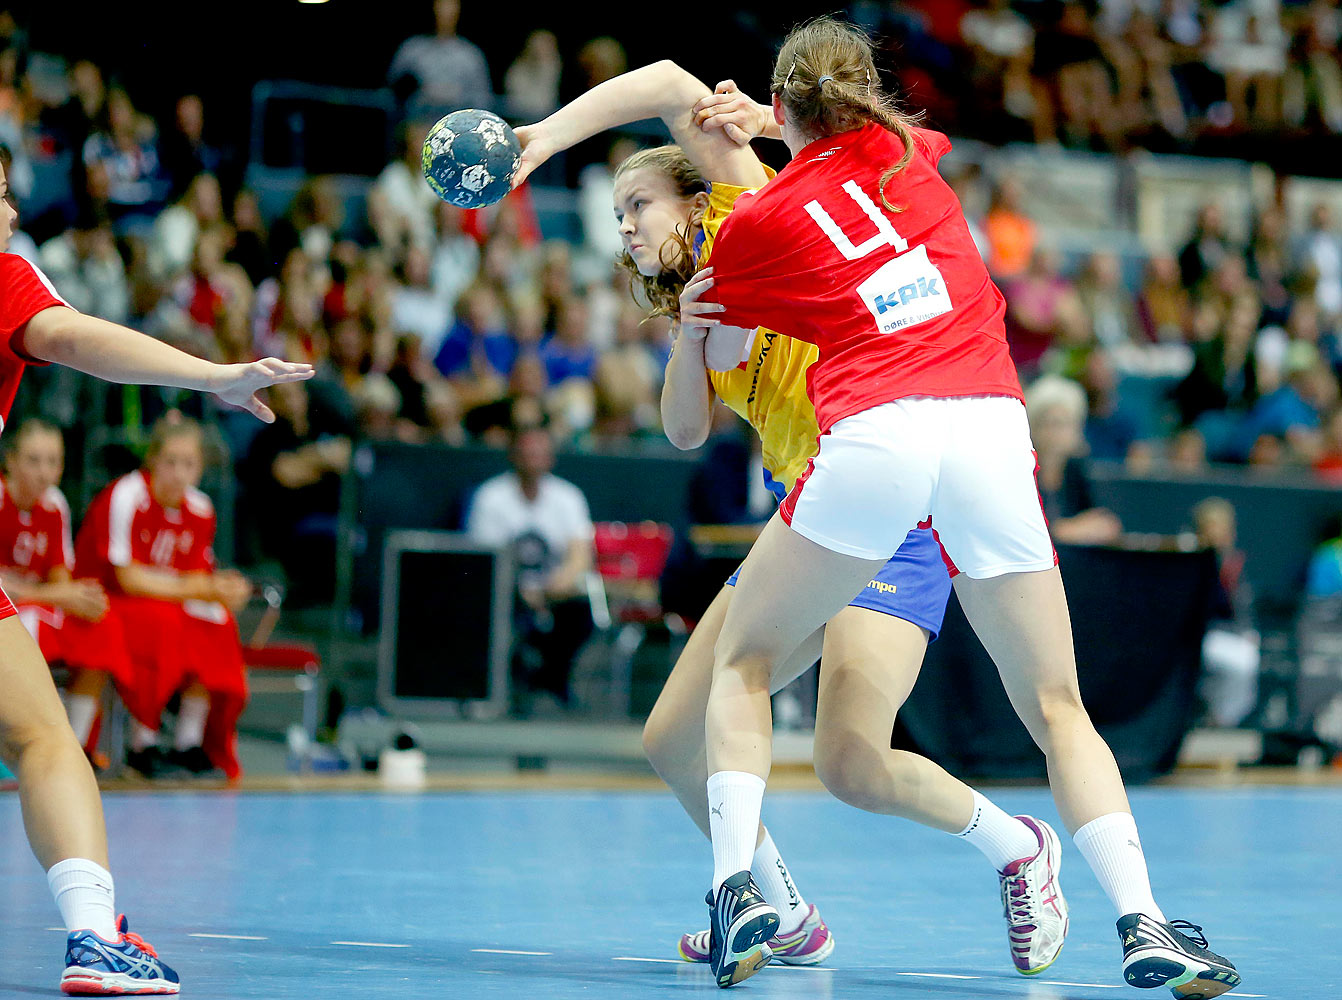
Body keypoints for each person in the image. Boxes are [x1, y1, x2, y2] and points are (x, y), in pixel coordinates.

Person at [651, 18, 1236, 994]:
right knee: (1056, 705)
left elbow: (713, 343)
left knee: (744, 663)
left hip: (878, 435)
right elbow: (843, 144)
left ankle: (734, 896)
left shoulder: (752, 229)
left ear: (782, 111)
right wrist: (777, 121)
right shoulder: (904, 155)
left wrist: (708, 247)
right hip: (989, 428)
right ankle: (1144, 922)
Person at [512, 56, 1074, 984]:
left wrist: (542, 138)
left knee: (851, 757)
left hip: (893, 506)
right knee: (681, 740)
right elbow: (685, 432)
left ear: (696, 196)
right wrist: (688, 333)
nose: (626, 231)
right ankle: (786, 911)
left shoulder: (753, 204)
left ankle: (1019, 850)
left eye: (637, 207)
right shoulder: (705, 299)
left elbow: (659, 79)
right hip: (812, 512)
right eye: (618, 219)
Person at [0, 154, 313, 995]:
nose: (5, 212)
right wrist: (213, 375)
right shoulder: (4, 278)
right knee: (41, 741)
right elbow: (72, 340)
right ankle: (94, 938)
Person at [73, 417, 253, 782]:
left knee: (216, 621)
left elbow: (199, 577)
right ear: (152, 460)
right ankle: (144, 743)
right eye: (170, 461)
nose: (178, 473)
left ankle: (189, 743)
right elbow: (128, 578)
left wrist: (227, 588)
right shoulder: (126, 495)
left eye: (188, 464)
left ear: (200, 469)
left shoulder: (200, 508)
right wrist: (203, 588)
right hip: (109, 598)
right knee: (160, 621)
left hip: (161, 601)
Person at [0, 420, 119, 762]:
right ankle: (17, 746)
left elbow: (58, 577)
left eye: (53, 461)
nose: (44, 472)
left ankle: (75, 749)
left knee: (100, 623)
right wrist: (59, 596)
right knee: (31, 626)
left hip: (32, 604)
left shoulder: (55, 505)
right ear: (11, 461)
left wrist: (76, 597)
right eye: (34, 460)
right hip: (9, 611)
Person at [465, 424, 595, 710]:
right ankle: (507, 680)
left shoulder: (568, 497)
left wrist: (555, 586)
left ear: (551, 457)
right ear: (514, 455)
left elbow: (580, 556)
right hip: (505, 592)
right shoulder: (491, 498)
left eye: (540, 452)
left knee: (583, 610)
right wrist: (522, 590)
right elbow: (486, 560)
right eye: (527, 452)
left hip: (555, 592)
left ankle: (552, 679)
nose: (533, 459)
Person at [387, 0, 493, 117]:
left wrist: (454, 96)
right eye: (441, 7)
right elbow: (391, 94)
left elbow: (482, 103)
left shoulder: (471, 56)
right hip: (415, 123)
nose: (445, 13)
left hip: (458, 127)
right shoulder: (411, 50)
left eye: (450, 7)